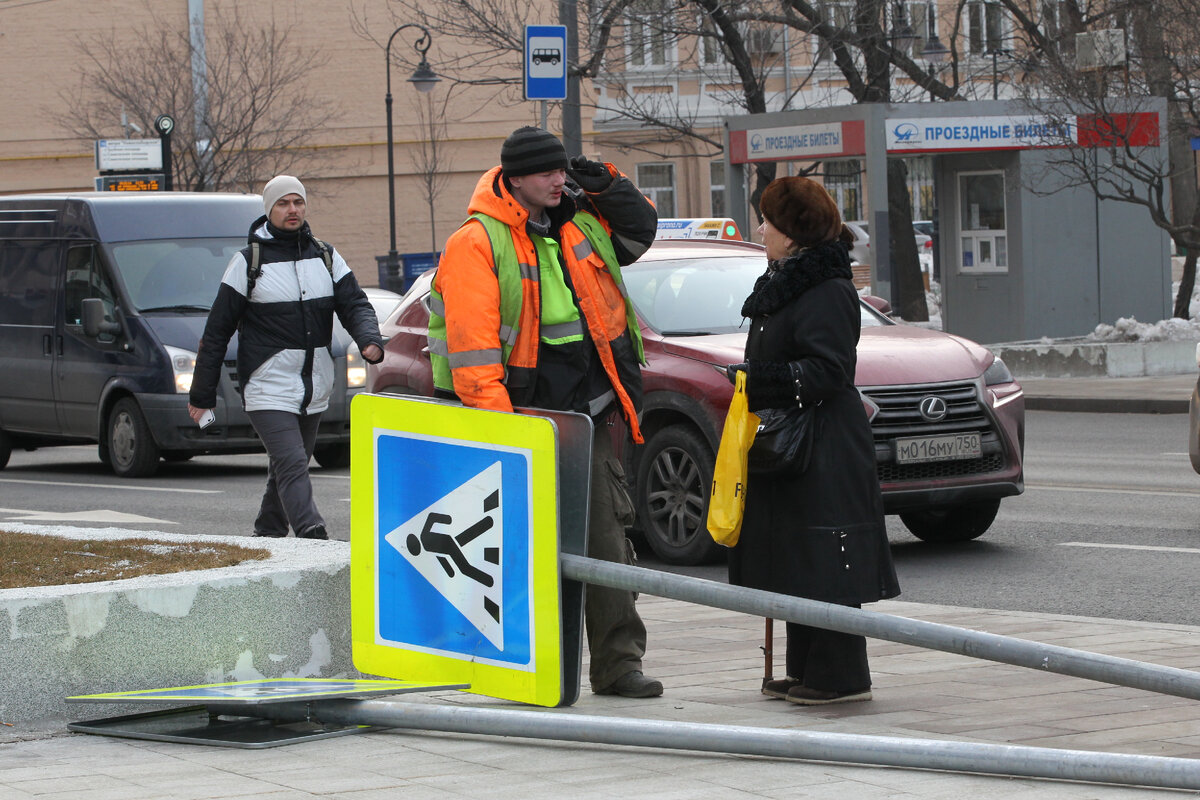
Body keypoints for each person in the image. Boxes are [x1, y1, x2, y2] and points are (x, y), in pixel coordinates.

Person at [428, 126, 662, 698]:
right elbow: (475, 357)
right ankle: (524, 666)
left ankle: (617, 664)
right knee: (517, 553)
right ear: (514, 179)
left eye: (562, 171)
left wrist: (604, 182)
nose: (559, 180)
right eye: (546, 173)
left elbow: (640, 232)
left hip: (589, 417)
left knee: (608, 543)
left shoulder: (580, 219)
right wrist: (507, 439)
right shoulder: (478, 241)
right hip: (525, 421)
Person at [727, 176, 900, 705]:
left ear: (793, 232)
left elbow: (828, 370)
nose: (760, 228)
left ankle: (841, 677)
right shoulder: (789, 280)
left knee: (828, 558)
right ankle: (805, 669)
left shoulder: (826, 287)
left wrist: (763, 380)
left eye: (768, 220)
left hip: (823, 443)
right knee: (797, 557)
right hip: (793, 438)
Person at [188, 175, 384, 539]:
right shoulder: (247, 262)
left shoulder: (325, 255)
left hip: (315, 385)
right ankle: (313, 534)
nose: (292, 210)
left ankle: (269, 531)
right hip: (266, 385)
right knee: (293, 462)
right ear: (269, 210)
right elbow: (216, 332)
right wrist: (201, 396)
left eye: (298, 202)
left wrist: (369, 339)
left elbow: (354, 303)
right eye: (283, 203)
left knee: (285, 467)